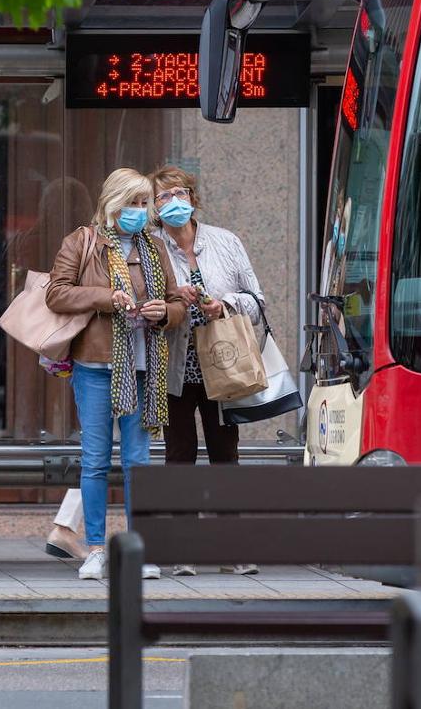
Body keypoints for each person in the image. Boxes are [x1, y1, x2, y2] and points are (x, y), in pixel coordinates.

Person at [45, 168, 186, 580]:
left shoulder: (155, 247)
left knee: (138, 462)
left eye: (144, 204)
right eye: (133, 204)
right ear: (112, 203)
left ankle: (137, 548)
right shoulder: (83, 241)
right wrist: (107, 298)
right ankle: (94, 549)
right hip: (95, 367)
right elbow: (57, 291)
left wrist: (165, 313)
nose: (140, 212)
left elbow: (177, 303)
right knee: (95, 461)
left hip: (144, 368)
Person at [150, 164, 264, 578]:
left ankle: (232, 547)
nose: (172, 202)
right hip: (176, 366)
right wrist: (172, 298)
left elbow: (257, 300)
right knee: (179, 456)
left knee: (224, 455)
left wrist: (224, 303)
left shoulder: (225, 241)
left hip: (223, 365)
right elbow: (145, 301)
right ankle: (182, 549)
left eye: (178, 193)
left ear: (193, 198)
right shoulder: (151, 245)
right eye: (162, 197)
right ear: (153, 207)